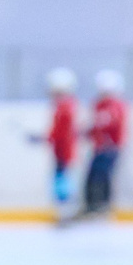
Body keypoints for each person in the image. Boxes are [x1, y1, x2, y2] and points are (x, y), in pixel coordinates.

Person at [85, 70, 128, 217]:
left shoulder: (116, 105)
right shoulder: (98, 105)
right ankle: (91, 206)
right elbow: (95, 125)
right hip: (99, 147)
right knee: (92, 176)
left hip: (110, 148)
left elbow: (112, 122)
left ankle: (103, 206)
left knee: (103, 176)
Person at [42, 69, 80, 222]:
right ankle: (64, 213)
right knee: (61, 182)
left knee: (63, 183)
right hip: (61, 151)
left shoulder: (65, 107)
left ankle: (66, 214)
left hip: (64, 151)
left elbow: (61, 132)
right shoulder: (62, 106)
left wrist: (46, 138)